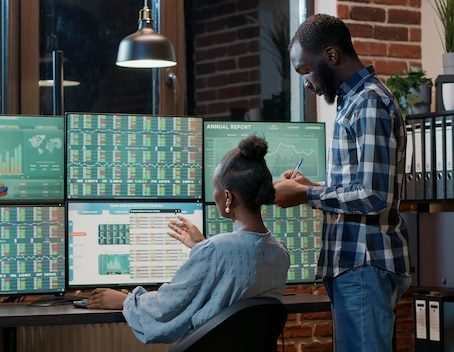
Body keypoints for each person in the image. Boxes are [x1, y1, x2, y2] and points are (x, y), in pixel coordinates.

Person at [273, 14, 412, 352]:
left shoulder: (368, 102)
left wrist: (306, 193)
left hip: (364, 263)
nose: (306, 83)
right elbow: (358, 184)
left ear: (331, 56)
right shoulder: (354, 102)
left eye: (306, 71)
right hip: (354, 264)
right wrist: (313, 186)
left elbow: (374, 195)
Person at [85, 135, 290, 344]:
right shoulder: (280, 253)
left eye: (215, 188)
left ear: (228, 197)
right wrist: (202, 246)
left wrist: (126, 301)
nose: (214, 195)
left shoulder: (216, 251)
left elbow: (168, 306)